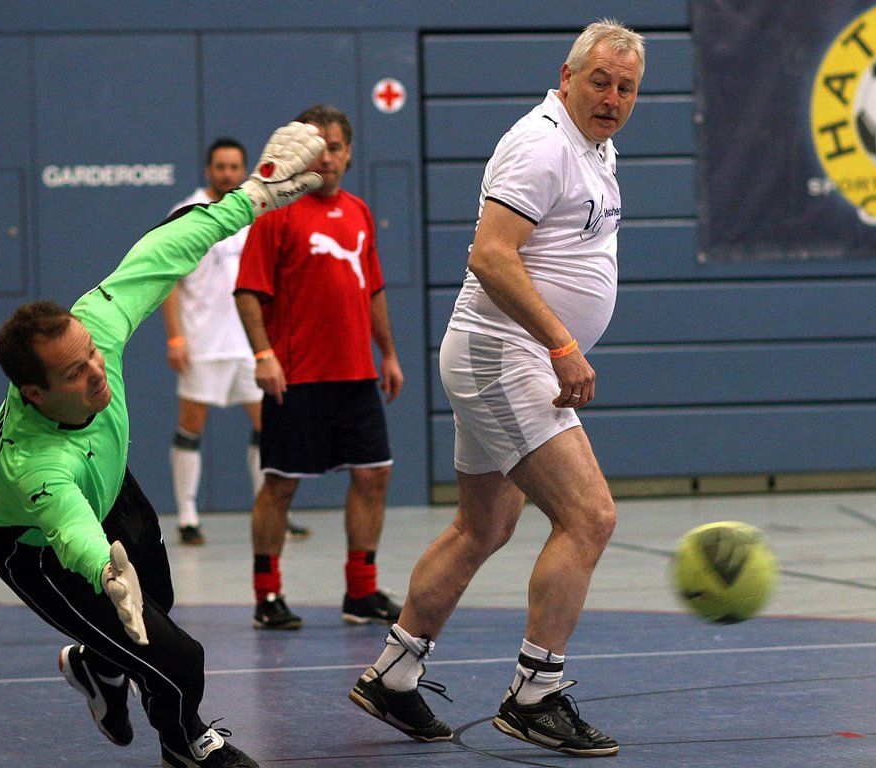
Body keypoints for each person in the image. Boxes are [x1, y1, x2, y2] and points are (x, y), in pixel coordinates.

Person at [0, 122, 325, 768]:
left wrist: (250, 198)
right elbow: (69, 527)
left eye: (93, 354)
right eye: (75, 373)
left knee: (157, 604)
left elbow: (166, 248)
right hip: (44, 552)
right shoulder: (35, 462)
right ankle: (184, 742)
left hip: (111, 487)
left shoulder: (98, 324)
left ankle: (97, 667)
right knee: (178, 658)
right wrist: (104, 572)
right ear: (34, 394)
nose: (97, 373)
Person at [350, 20, 645, 757]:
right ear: (567, 76)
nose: (611, 98)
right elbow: (490, 254)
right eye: (600, 81)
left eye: (625, 87)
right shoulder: (543, 144)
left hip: (507, 357)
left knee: (481, 527)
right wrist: (561, 344)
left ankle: (393, 675)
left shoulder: (595, 147)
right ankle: (534, 695)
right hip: (504, 355)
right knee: (589, 516)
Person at [234, 104, 404, 631]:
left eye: (335, 147)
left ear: (348, 153)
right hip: (296, 377)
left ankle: (361, 591)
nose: (326, 158)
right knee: (281, 484)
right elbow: (248, 291)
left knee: (374, 474)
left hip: (355, 375)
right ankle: (267, 594)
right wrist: (264, 355)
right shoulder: (276, 213)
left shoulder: (359, 211)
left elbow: (372, 288)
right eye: (317, 148)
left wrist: (388, 353)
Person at [162, 137, 310, 546]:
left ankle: (273, 511)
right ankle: (187, 517)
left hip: (251, 345)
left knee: (268, 426)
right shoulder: (187, 213)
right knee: (190, 427)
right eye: (220, 167)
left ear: (244, 170)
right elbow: (169, 280)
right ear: (208, 169)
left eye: (233, 167)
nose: (227, 174)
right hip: (202, 342)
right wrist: (175, 336)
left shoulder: (256, 212)